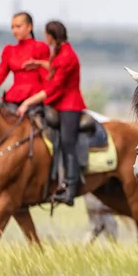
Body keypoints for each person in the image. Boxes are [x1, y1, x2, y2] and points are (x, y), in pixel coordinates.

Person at [16, 20, 87, 206]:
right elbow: (54, 67)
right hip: (59, 103)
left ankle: (71, 189)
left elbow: (53, 87)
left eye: (46, 34)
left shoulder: (67, 56)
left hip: (69, 105)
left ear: (51, 35)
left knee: (67, 143)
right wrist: (39, 63)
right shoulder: (61, 52)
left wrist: (27, 102)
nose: (45, 38)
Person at [0, 12, 50, 110]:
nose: (14, 31)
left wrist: (46, 98)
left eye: (18, 27)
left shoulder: (40, 47)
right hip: (13, 96)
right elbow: (1, 74)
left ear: (29, 27)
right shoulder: (9, 50)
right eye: (12, 27)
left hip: (35, 96)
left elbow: (46, 76)